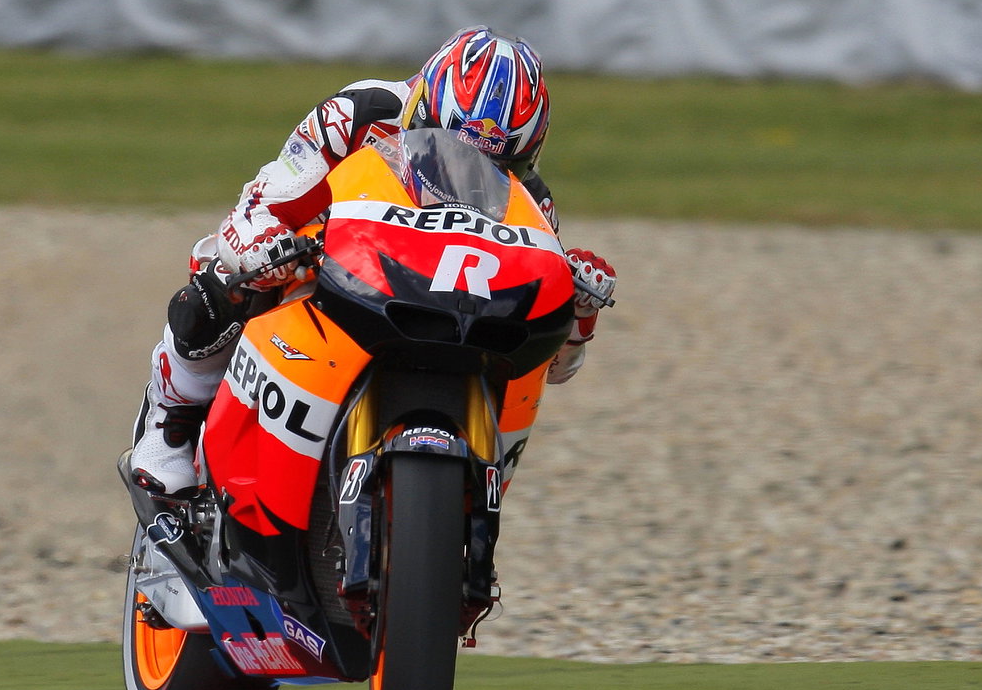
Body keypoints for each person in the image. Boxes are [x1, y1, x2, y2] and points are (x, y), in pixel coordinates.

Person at [130, 26, 618, 499]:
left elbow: (552, 367)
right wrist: (268, 245)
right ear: (421, 106)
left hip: (440, 315)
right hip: (326, 264)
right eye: (449, 144)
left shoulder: (532, 199)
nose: (470, 169)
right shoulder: (358, 113)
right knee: (220, 276)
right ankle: (169, 424)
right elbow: (260, 205)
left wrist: (577, 310)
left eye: (501, 165)